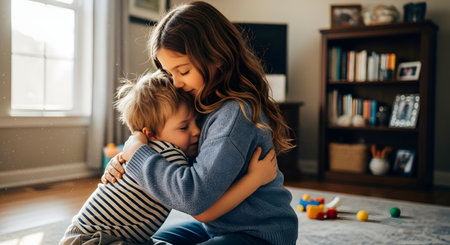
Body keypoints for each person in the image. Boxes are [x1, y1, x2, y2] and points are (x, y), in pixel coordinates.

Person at [103, 1, 299, 244]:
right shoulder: (201, 100)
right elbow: (161, 136)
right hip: (218, 225)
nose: (175, 83)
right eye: (169, 73)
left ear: (216, 57)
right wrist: (128, 151)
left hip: (259, 233)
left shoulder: (235, 115)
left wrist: (138, 154)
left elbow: (193, 198)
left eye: (183, 71)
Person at [61, 71, 277, 245]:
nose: (195, 132)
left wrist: (135, 140)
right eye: (184, 127)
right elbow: (199, 204)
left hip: (92, 234)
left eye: (196, 123)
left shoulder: (152, 146)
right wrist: (255, 179)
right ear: (151, 134)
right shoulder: (170, 155)